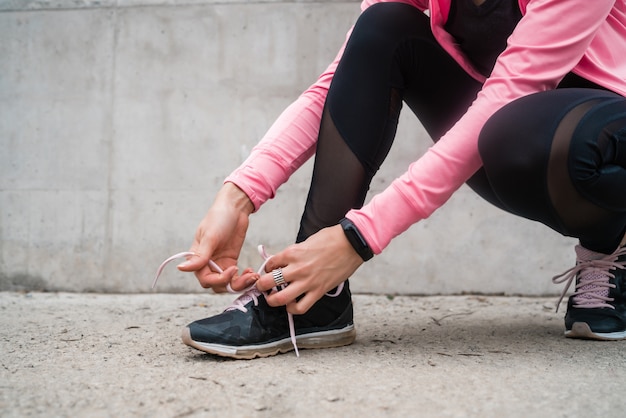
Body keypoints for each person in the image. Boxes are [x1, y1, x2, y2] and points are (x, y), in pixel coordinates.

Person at [167, 0, 626, 358]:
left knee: (524, 134)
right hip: (521, 141)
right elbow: (342, 76)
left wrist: (357, 239)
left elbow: (511, 93)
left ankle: (611, 245)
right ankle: (313, 299)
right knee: (383, 28)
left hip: (603, 135)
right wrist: (240, 194)